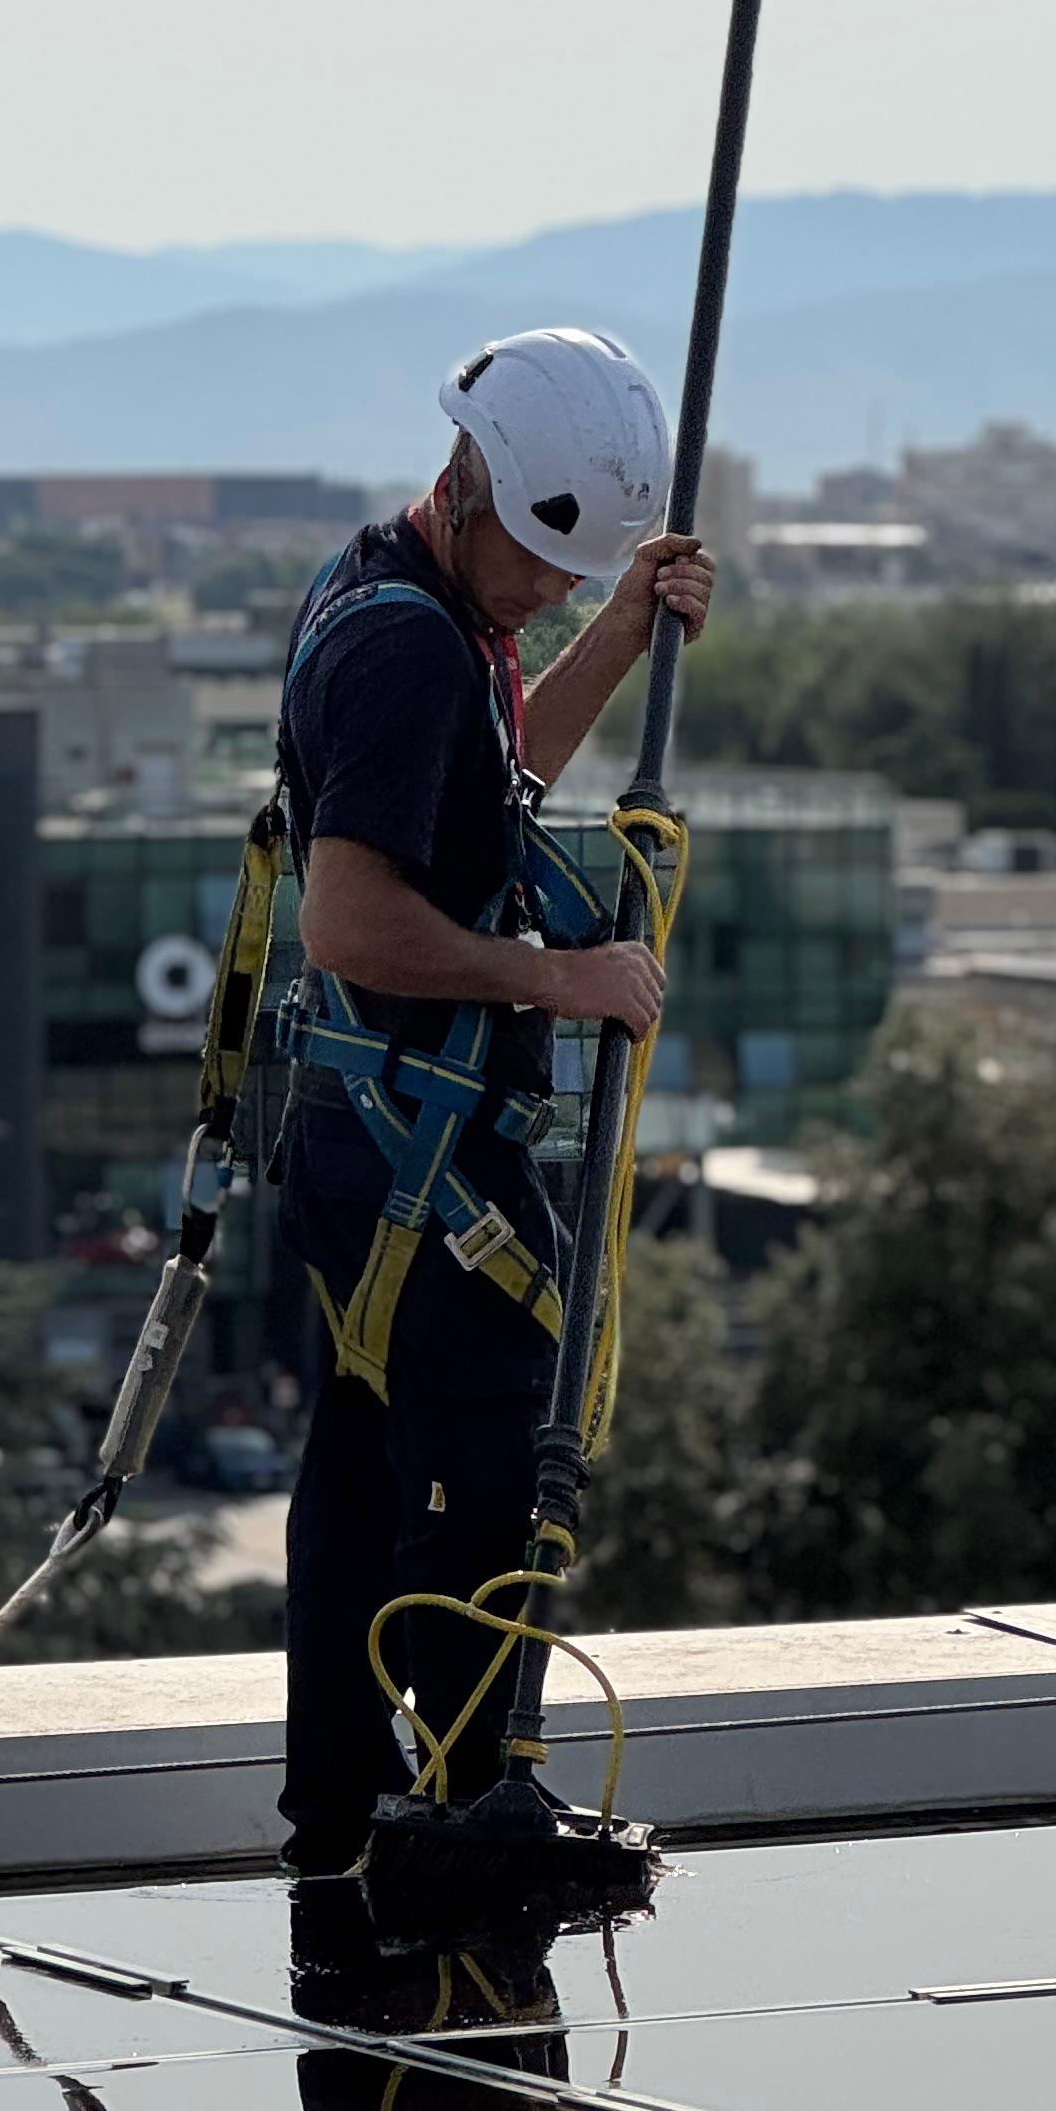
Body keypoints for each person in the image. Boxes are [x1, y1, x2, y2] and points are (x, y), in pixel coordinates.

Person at [273, 326, 712, 1873]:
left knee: (364, 1471)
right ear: (469, 484)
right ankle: (463, 1806)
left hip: (373, 1128)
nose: (551, 589)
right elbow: (348, 920)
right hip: (416, 1133)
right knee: (470, 1466)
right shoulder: (406, 644)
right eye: (539, 559)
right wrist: (560, 979)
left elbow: (489, 772)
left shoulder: (407, 594)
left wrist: (622, 629)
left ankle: (346, 1809)